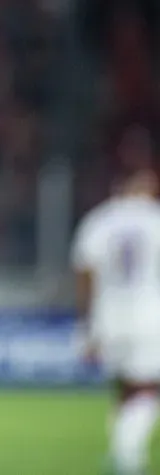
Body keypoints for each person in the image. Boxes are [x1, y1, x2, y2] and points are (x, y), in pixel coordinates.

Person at [72, 168, 160, 475]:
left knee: (123, 386)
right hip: (148, 313)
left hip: (107, 313)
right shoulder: (155, 219)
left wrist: (86, 325)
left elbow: (84, 274)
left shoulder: (99, 220)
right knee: (148, 388)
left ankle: (120, 451)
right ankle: (128, 457)